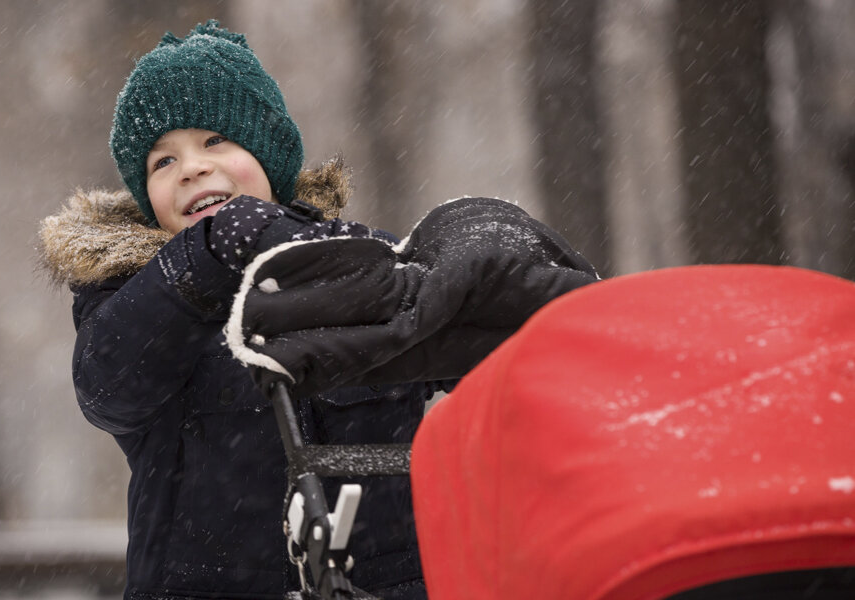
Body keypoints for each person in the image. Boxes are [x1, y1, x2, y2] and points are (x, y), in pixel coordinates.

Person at [40, 20, 596, 600]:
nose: (191, 168)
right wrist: (206, 258)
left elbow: (492, 359)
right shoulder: (133, 294)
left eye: (215, 141)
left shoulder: (359, 266)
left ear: (269, 153)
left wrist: (486, 263)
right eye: (161, 161)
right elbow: (108, 390)